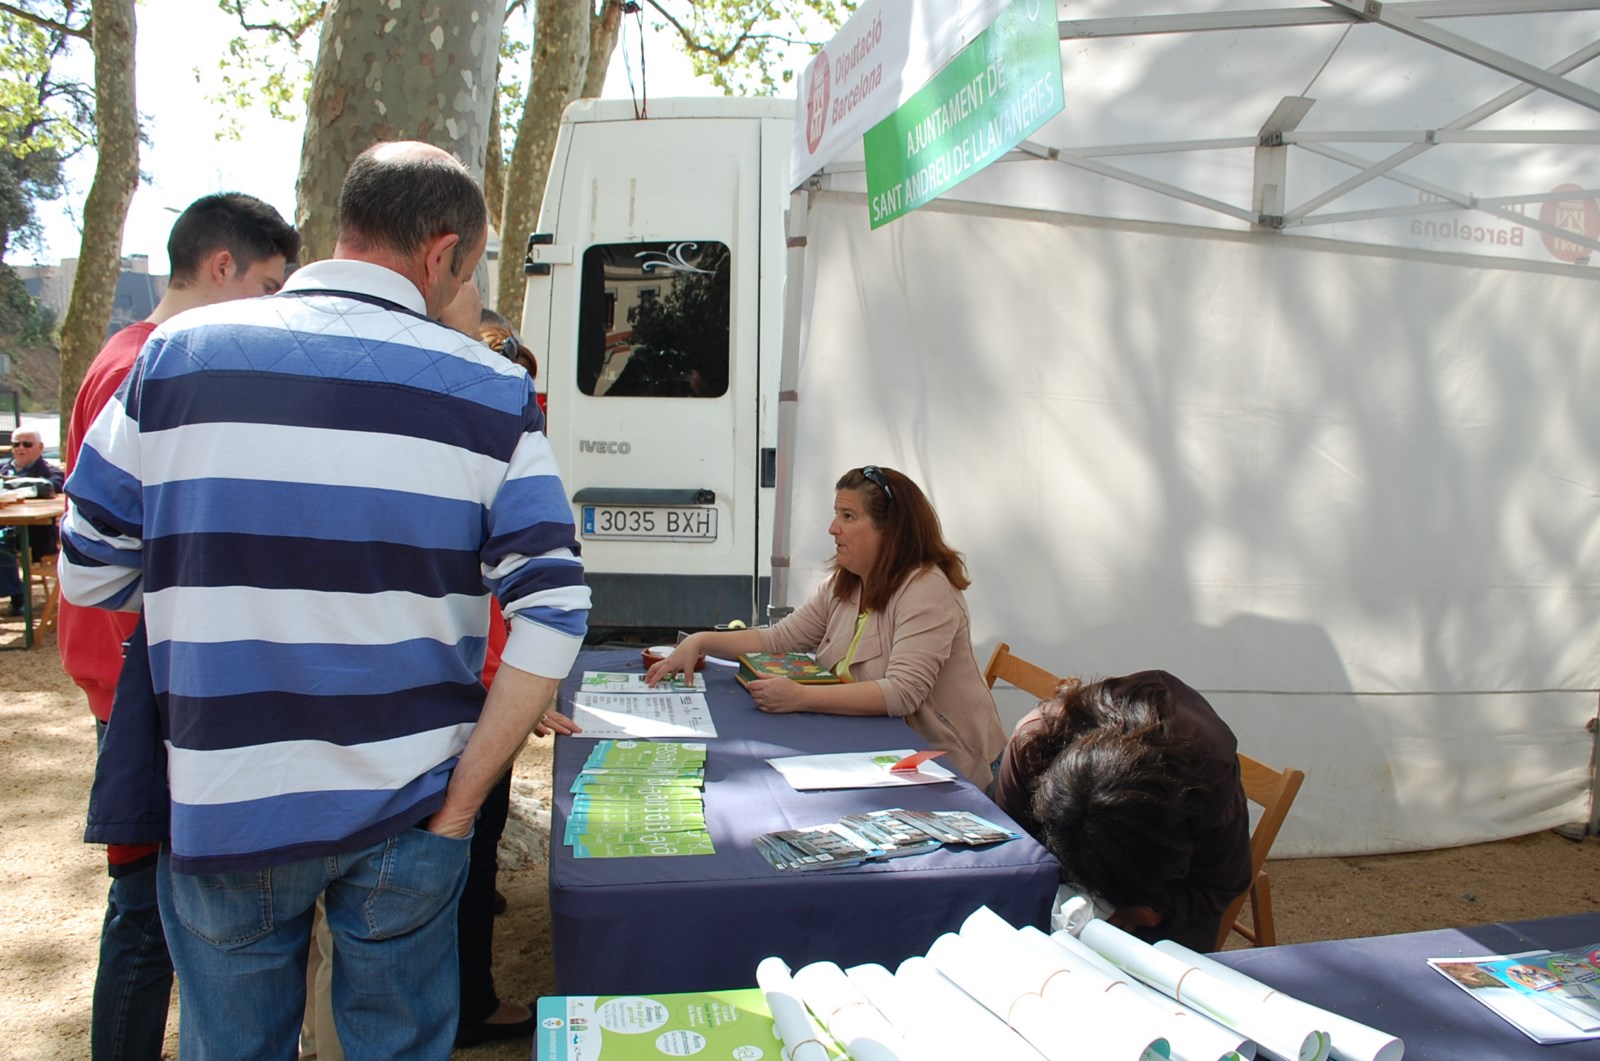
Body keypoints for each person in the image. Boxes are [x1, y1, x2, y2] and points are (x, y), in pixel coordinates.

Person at [60, 141, 590, 1061]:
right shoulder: (491, 391)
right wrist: (465, 802)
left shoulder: (175, 356)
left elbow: (88, 571)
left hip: (225, 799)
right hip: (411, 807)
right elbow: (554, 609)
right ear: (443, 253)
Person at [57, 191, 300, 1061]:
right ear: (222, 267)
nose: (274, 311)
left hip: (136, 657)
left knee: (153, 895)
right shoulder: (152, 366)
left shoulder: (133, 356)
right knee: (147, 905)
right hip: (139, 665)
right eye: (270, 286)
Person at [648, 465, 1006, 788]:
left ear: (890, 530)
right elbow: (780, 638)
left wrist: (802, 697)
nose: (833, 528)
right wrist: (701, 641)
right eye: (837, 514)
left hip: (946, 769)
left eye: (848, 516)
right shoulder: (848, 580)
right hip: (881, 754)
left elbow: (902, 692)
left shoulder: (925, 587)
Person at [992, 670, 1253, 952]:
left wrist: (1155, 909)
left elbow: (1220, 886)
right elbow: (1008, 856)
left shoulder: (1209, 781)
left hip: (1157, 913)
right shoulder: (1034, 745)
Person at [0, 429, 64, 615]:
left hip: (34, 535)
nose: (21, 448)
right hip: (6, 526)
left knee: (1, 545)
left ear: (40, 447)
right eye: (16, 444)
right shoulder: (3, 470)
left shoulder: (49, 472)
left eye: (27, 444)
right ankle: (15, 592)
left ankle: (16, 595)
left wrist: (14, 486)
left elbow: (53, 486)